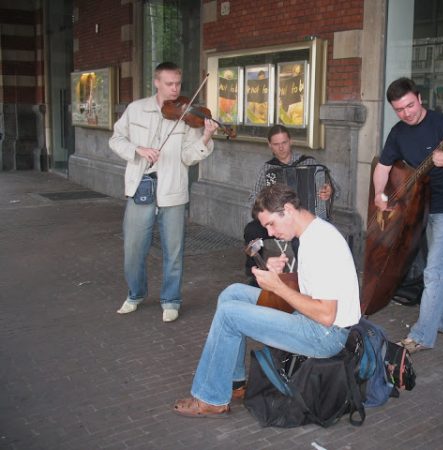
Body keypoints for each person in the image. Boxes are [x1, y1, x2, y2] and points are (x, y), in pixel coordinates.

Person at [173, 183, 361, 417]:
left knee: (229, 314)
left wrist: (279, 288)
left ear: (289, 210)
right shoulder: (313, 232)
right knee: (232, 293)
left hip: (326, 335)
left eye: (271, 224)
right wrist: (282, 277)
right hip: (314, 320)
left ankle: (211, 398)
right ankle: (234, 381)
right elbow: (317, 285)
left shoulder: (320, 243)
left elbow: (326, 315)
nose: (270, 233)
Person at [109, 62, 218, 323]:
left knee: (174, 250)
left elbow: (189, 157)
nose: (175, 89)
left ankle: (171, 300)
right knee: (133, 248)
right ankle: (135, 294)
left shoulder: (188, 114)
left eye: (178, 84)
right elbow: (116, 139)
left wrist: (205, 137)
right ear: (156, 82)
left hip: (172, 189)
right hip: (141, 186)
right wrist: (138, 150)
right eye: (169, 84)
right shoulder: (136, 109)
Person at [372, 77, 443, 352]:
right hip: (426, 205)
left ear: (419, 98)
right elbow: (382, 166)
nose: (407, 113)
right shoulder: (398, 132)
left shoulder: (441, 123)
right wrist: (379, 194)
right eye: (399, 109)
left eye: (410, 105)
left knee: (435, 270)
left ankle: (421, 336)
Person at [244, 124, 335, 278]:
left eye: (284, 143)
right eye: (276, 144)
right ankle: (257, 273)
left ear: (290, 141)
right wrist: (265, 204)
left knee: (300, 240)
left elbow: (332, 187)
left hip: (305, 222)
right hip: (278, 223)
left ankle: (307, 279)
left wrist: (329, 191)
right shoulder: (268, 169)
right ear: (270, 145)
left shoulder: (310, 163)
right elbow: (254, 198)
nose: (281, 148)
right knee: (251, 230)